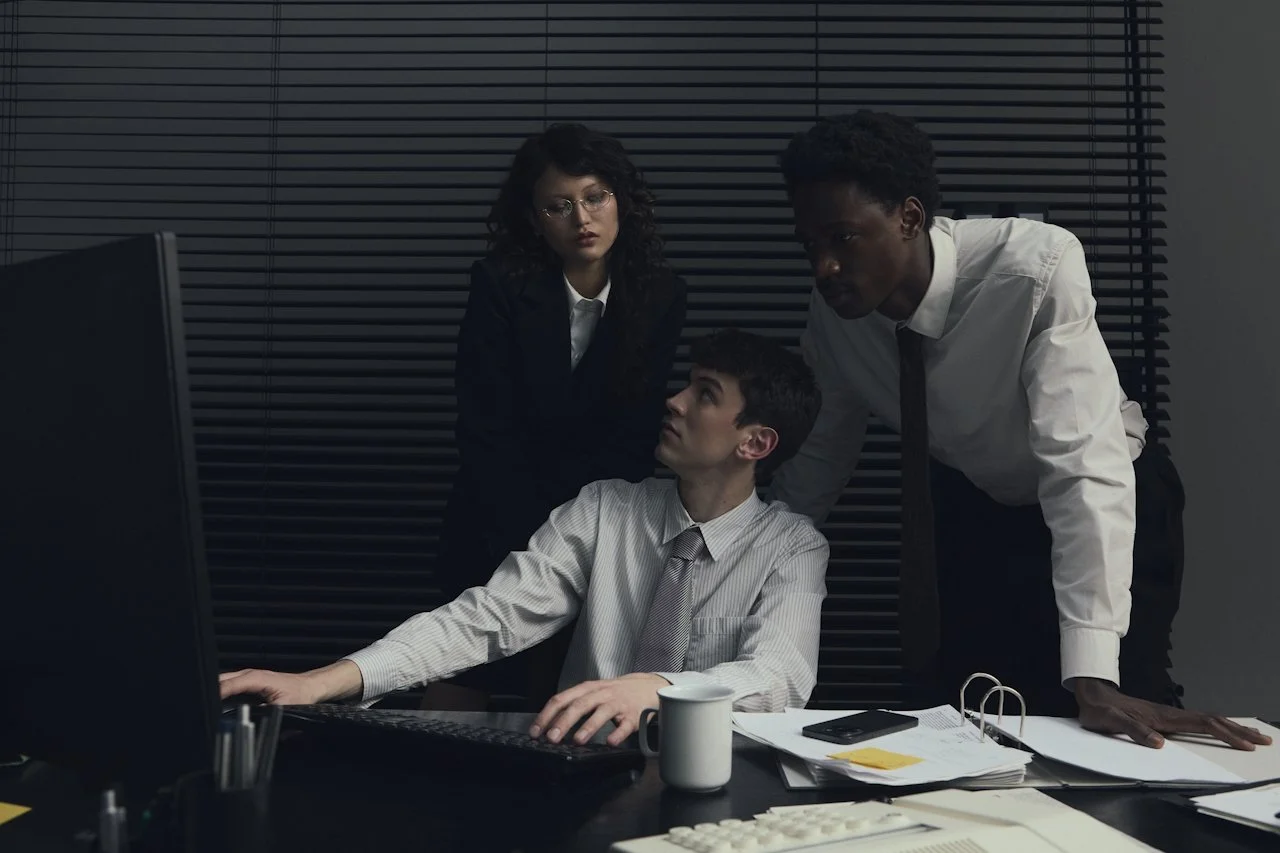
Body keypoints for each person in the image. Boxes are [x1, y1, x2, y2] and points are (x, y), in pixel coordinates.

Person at [769, 111, 1270, 751]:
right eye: (810, 245)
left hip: (1112, 496)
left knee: (1113, 713)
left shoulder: (1032, 268)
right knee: (973, 718)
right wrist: (748, 558)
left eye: (842, 238)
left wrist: (1090, 670)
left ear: (910, 217)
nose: (824, 267)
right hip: (979, 502)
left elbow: (1081, 463)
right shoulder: (837, 315)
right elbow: (821, 457)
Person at [220, 329, 828, 746]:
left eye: (704, 395)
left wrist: (659, 688)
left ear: (754, 443)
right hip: (578, 766)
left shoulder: (792, 548)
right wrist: (320, 682)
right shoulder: (604, 508)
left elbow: (778, 675)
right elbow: (485, 619)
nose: (673, 400)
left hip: (721, 784)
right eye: (686, 383)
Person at [431, 123, 688, 711]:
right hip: (497, 513)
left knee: (583, 686)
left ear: (621, 199)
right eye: (559, 205)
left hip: (601, 519)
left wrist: (584, 532)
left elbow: (633, 427)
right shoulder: (499, 285)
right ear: (534, 218)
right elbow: (485, 426)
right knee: (470, 669)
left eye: (596, 197)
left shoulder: (660, 294)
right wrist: (533, 537)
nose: (582, 219)